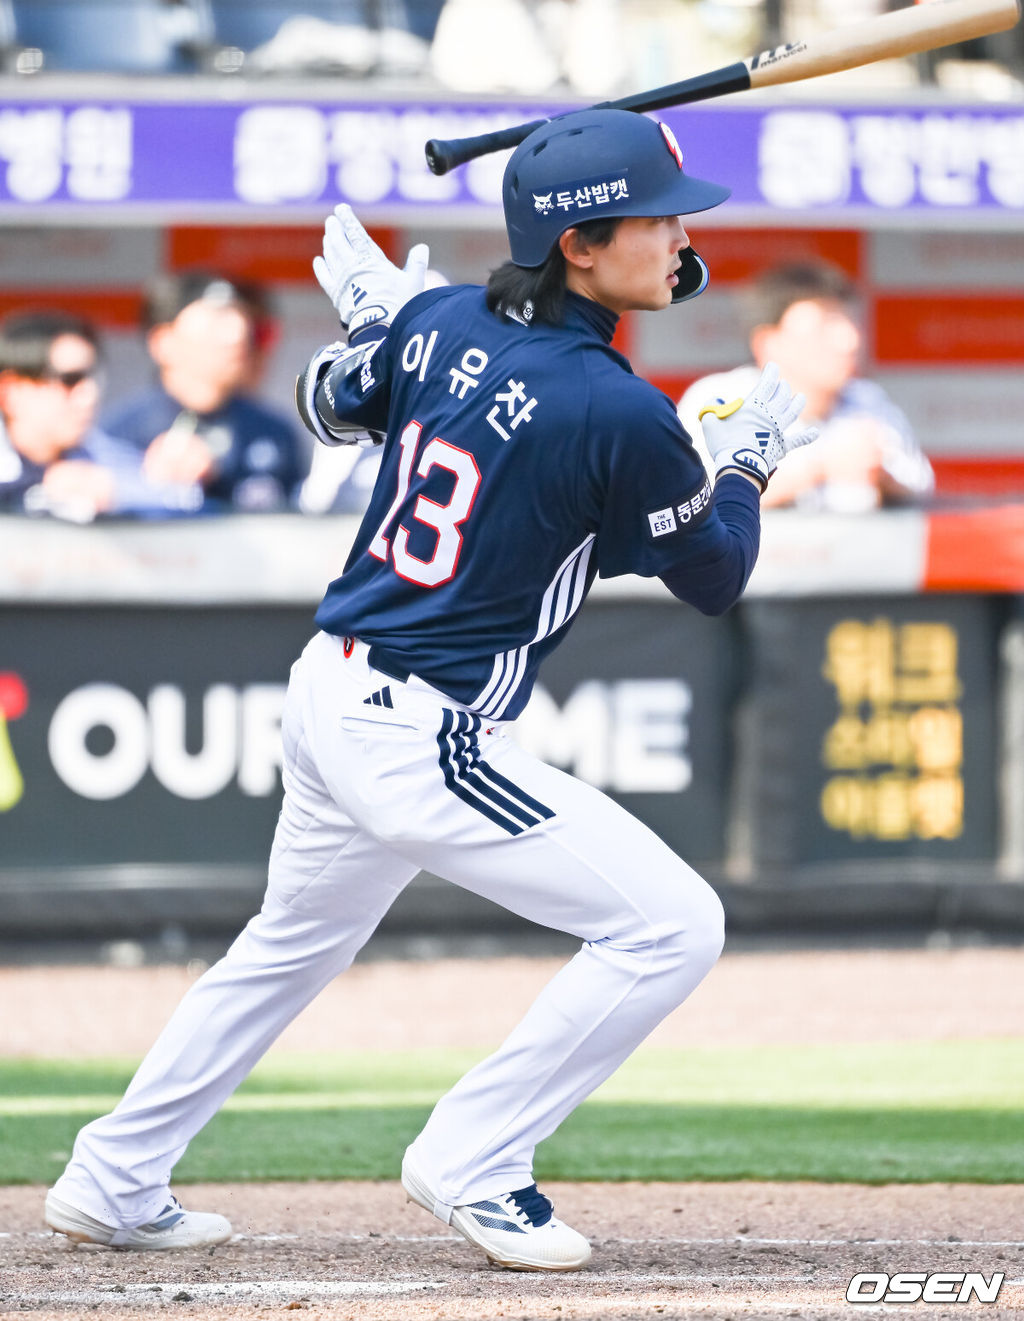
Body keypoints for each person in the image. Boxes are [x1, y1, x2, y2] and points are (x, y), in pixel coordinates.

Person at [44, 110, 817, 1270]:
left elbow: (328, 402)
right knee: (670, 924)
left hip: (330, 691)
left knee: (287, 947)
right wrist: (744, 461)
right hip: (419, 728)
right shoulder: (614, 407)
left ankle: (113, 1174)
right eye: (654, 220)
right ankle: (474, 1157)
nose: (679, 237)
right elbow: (714, 574)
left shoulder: (446, 318)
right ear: (577, 245)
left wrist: (383, 321)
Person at [678, 261, 934, 512]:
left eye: (850, 322)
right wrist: (821, 467)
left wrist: (882, 476)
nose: (850, 340)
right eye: (825, 325)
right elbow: (693, 501)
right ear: (768, 342)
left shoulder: (868, 400)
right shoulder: (720, 398)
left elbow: (922, 488)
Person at [101, 271, 306, 513]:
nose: (237, 335)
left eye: (242, 319)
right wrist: (146, 483)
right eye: (216, 321)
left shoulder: (274, 432)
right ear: (163, 341)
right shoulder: (119, 436)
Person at [0, 310, 201, 521]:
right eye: (69, 380)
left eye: (93, 377)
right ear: (11, 392)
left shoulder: (98, 454)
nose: (89, 395)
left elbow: (183, 497)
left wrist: (115, 491)